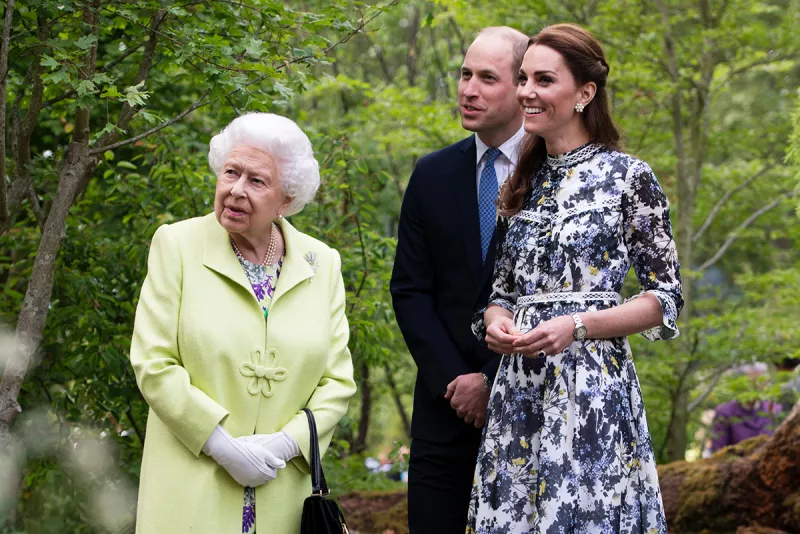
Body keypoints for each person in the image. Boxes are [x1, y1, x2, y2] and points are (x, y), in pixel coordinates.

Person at [468, 24, 683, 533]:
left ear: (585, 93)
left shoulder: (629, 176)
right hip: (519, 392)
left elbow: (666, 299)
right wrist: (498, 323)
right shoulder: (522, 181)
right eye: (523, 79)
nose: (526, 92)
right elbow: (500, 294)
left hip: (593, 392)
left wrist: (578, 326)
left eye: (544, 80)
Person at [129, 112, 357, 533]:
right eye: (231, 172)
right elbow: (153, 361)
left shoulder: (321, 262)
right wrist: (220, 444)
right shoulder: (176, 245)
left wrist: (286, 443)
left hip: (283, 491)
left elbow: (337, 381)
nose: (235, 190)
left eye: (256, 181)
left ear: (286, 199)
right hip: (190, 489)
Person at [390, 26, 529, 533]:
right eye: (465, 74)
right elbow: (409, 288)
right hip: (442, 408)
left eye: (487, 78)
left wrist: (492, 380)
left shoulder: (557, 175)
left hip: (529, 406)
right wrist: (458, 381)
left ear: (523, 87)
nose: (468, 89)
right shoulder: (432, 173)